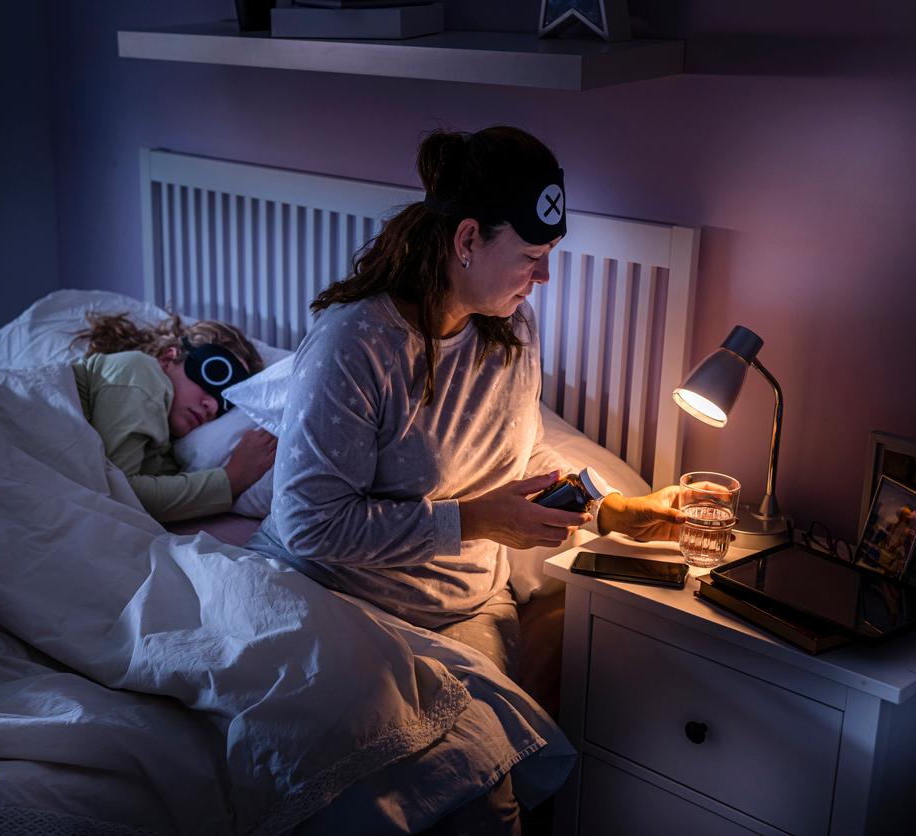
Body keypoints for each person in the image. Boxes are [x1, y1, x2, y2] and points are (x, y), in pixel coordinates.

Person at [244, 126, 687, 832]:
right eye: (532, 257)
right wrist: (470, 521)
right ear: (467, 239)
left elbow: (510, 465)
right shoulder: (357, 343)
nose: (542, 278)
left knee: (478, 801)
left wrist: (616, 509)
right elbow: (310, 524)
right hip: (328, 596)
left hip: (460, 612)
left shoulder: (510, 331)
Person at [71, 312, 277, 523]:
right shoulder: (139, 370)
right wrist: (233, 477)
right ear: (168, 357)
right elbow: (118, 491)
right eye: (214, 373)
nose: (213, 405)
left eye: (226, 404)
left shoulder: (171, 452)